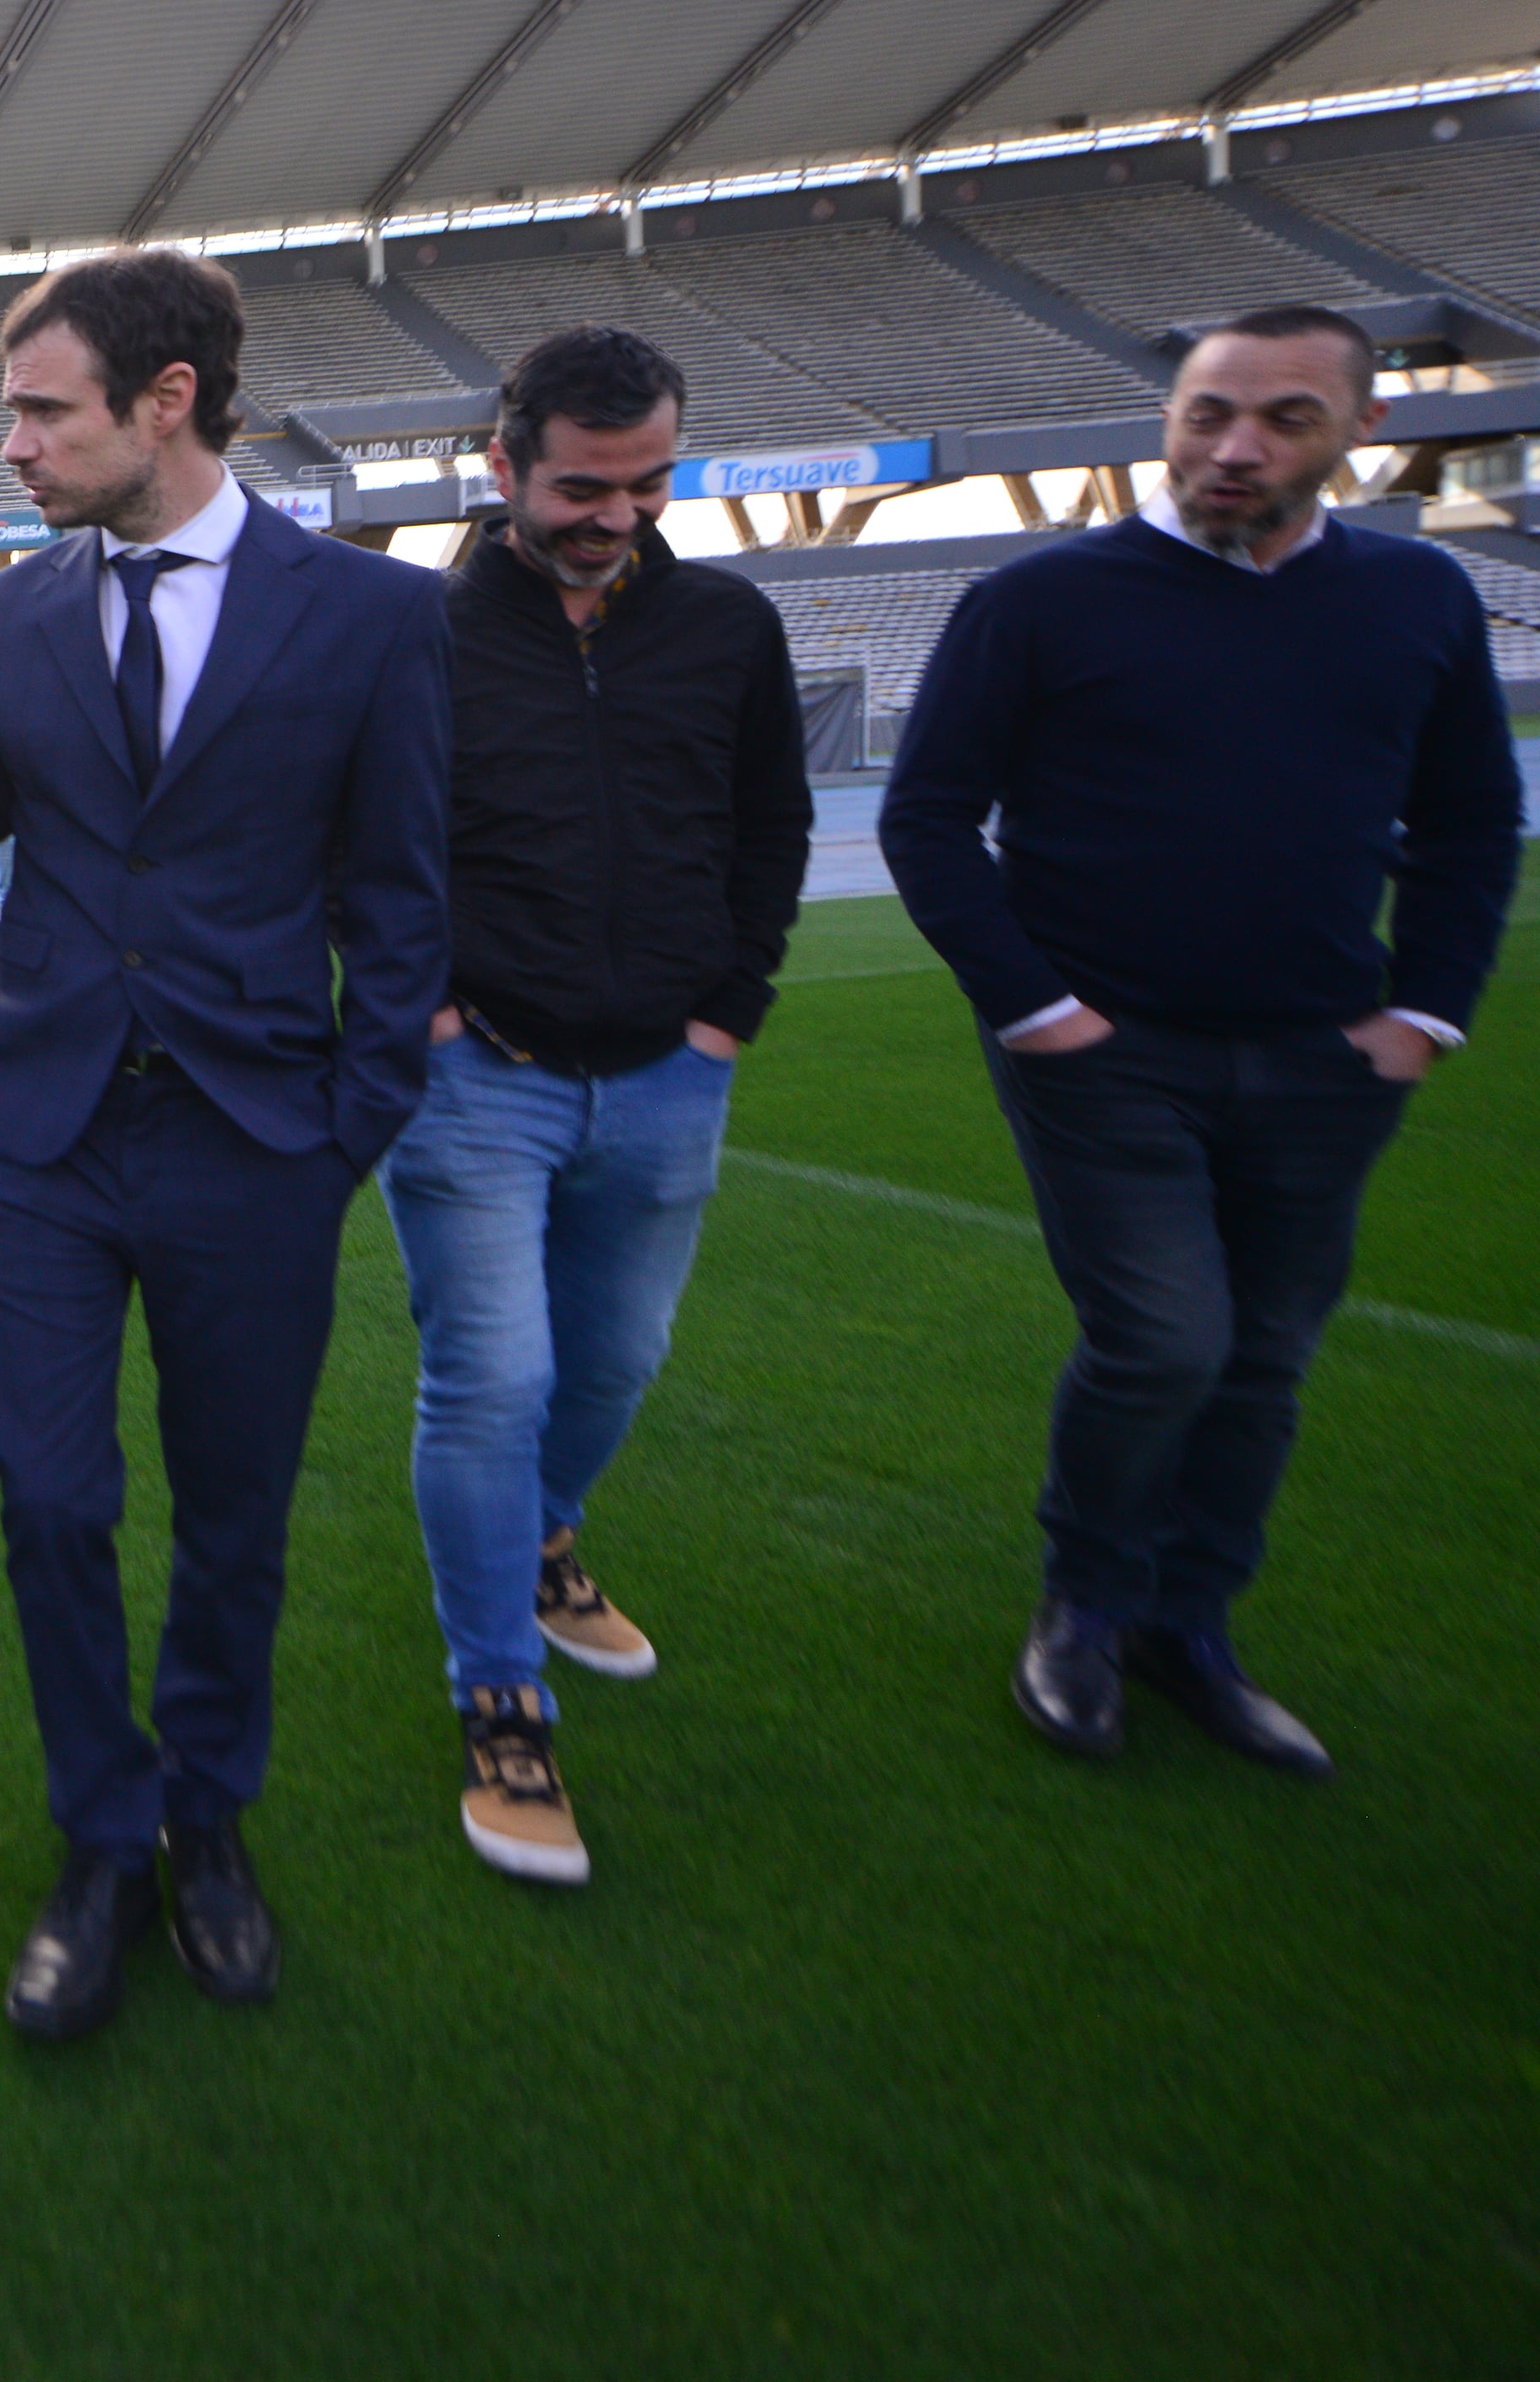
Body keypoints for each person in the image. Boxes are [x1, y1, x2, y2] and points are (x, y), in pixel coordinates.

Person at [0, 247, 449, 2035]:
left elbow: (400, 901)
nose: (10, 444)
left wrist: (340, 1133)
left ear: (166, 402)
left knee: (232, 1525)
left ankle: (205, 1826)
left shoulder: (369, 619)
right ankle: (97, 1826)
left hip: (251, 1145)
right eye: (9, 409)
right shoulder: (14, 614)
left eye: (41, 409)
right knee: (52, 1500)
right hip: (39, 1144)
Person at [882, 305, 1520, 1779]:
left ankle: (1192, 1622)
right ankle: (1086, 1607)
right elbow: (927, 817)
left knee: (1267, 1359)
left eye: (1285, 417)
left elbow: (1473, 821)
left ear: (1360, 428)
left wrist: (1422, 1011)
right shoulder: (1043, 599)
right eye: (1209, 411)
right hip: (1110, 1055)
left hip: (1326, 1059)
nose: (1236, 446)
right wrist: (1043, 1012)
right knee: (1165, 1339)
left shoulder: (1418, 596)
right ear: (1170, 414)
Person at [379, 326, 812, 1890]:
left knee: (615, 1360)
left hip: (667, 1075)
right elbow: (352, 845)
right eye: (580, 484)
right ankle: (501, 1693)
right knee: (491, 1377)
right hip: (473, 1076)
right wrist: (418, 1011)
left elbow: (773, 820)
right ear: (502, 467)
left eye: (646, 483)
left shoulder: (727, 623)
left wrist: (726, 1012)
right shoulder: (414, 633)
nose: (615, 513)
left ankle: (546, 1537)